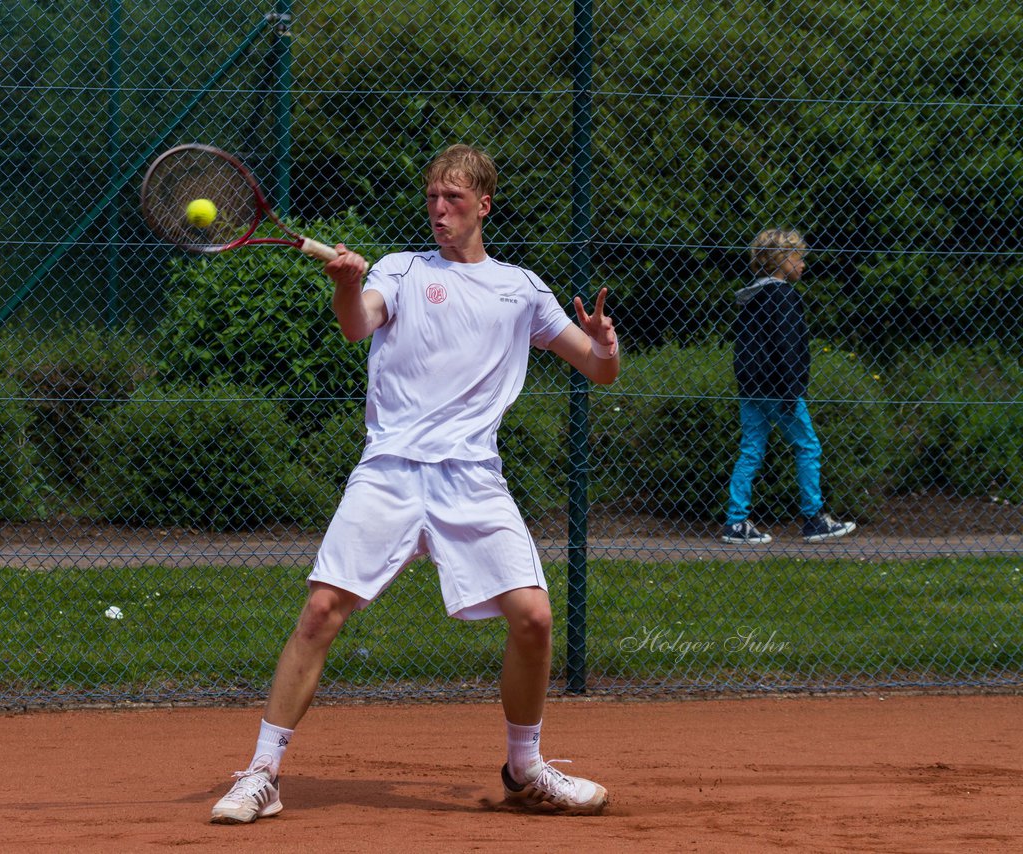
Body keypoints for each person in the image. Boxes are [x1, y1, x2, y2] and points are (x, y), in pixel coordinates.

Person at [209, 144, 619, 824]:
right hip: (391, 471)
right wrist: (345, 281)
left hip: (472, 478)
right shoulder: (400, 271)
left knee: (535, 618)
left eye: (453, 199)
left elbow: (598, 370)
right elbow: (355, 325)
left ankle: (526, 768)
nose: (438, 210)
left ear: (483, 204)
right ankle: (260, 775)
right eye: (432, 197)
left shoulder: (521, 288)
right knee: (320, 613)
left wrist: (604, 343)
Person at [720, 227, 857, 545]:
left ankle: (736, 522)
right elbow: (788, 345)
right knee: (808, 446)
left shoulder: (751, 296)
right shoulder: (784, 297)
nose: (804, 264)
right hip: (780, 389)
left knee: (751, 448)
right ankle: (814, 519)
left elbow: (745, 348)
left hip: (752, 388)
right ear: (782, 260)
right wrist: (792, 389)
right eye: (799, 257)